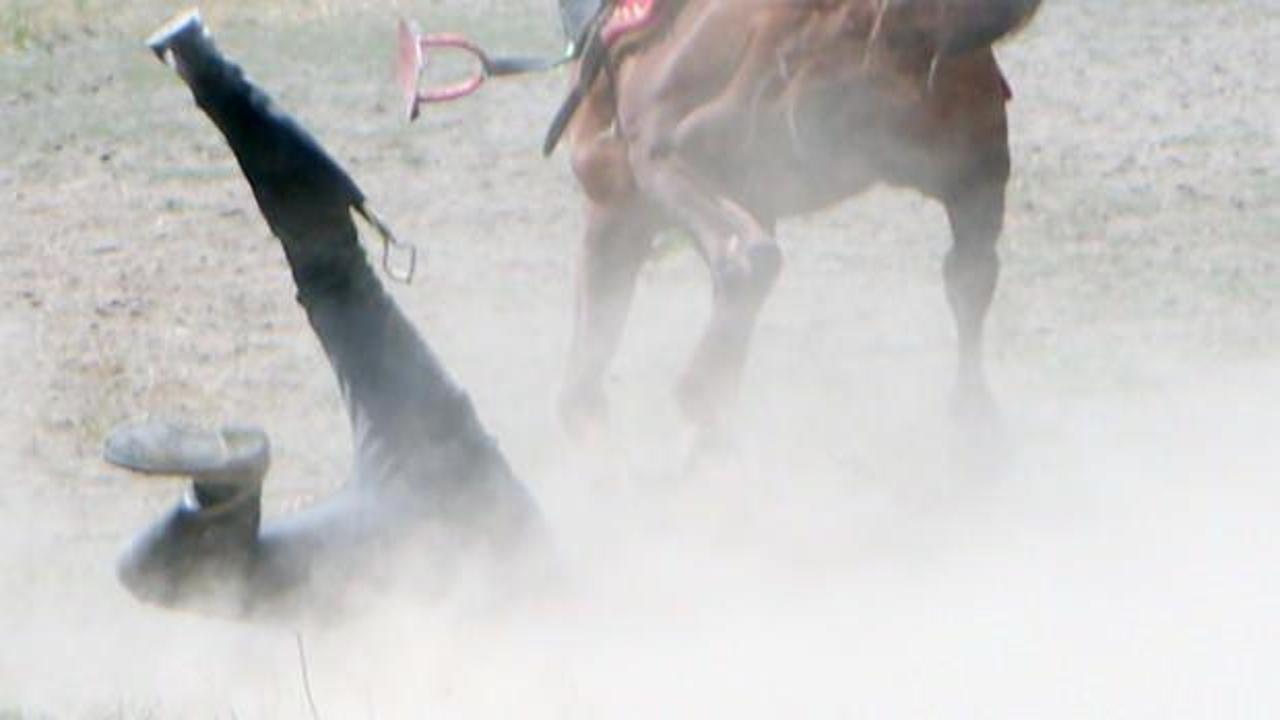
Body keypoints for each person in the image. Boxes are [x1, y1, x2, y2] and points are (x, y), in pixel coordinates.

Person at [107, 10, 546, 621]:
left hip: (441, 470)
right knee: (157, 574)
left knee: (333, 270)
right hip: (447, 503)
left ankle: (206, 67)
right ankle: (222, 495)